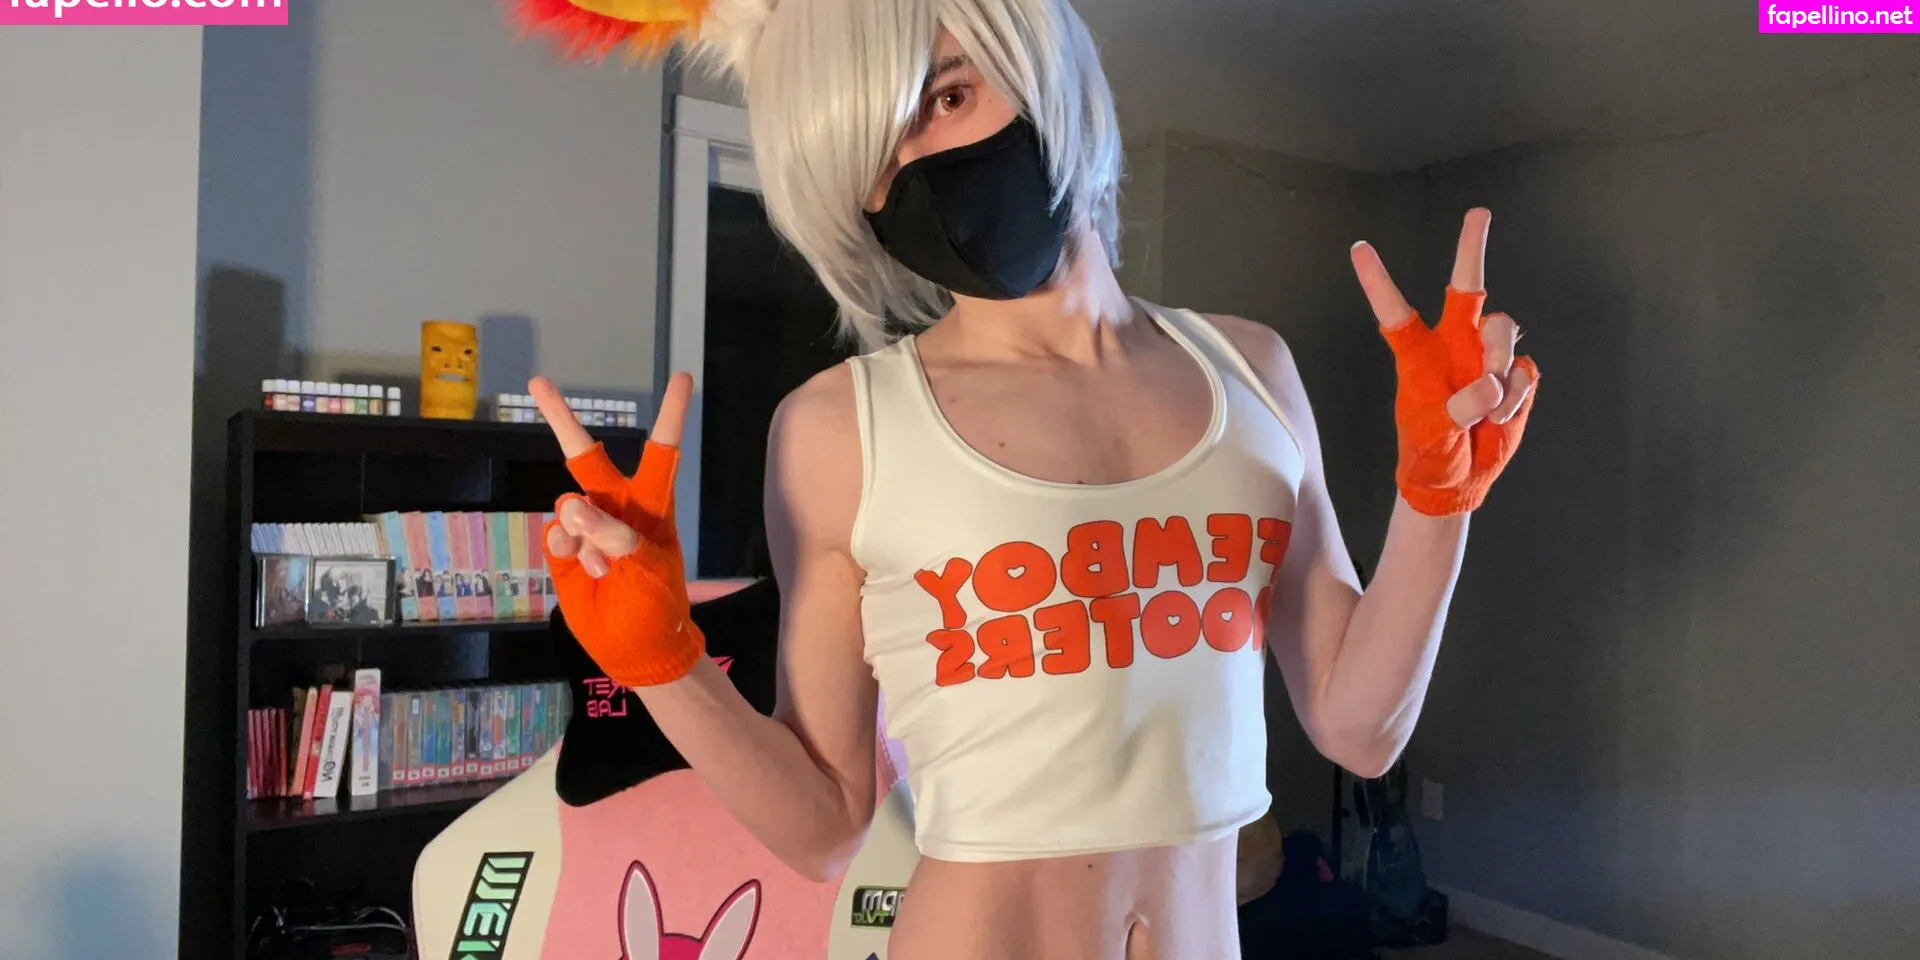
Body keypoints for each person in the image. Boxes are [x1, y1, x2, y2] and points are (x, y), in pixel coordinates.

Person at [508, 0, 1539, 957]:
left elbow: (1360, 727)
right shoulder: (841, 432)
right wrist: (663, 665)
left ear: (1043, 66)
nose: (924, 167)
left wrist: (1436, 500)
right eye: (875, 154)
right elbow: (825, 827)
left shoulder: (1252, 372)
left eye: (949, 96)